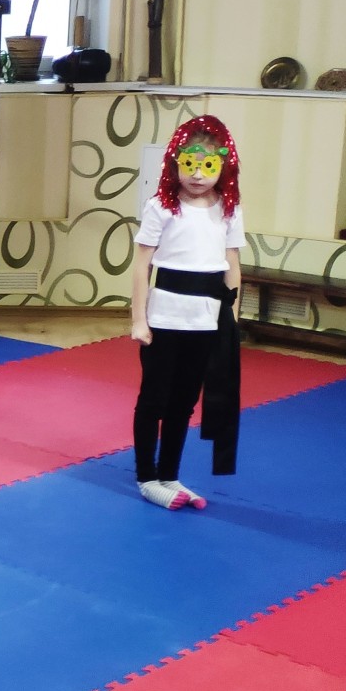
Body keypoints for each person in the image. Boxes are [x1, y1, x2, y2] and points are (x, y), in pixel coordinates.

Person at [131, 114, 244, 510]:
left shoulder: (228, 209)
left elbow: (232, 265)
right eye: (189, 164)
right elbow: (142, 264)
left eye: (208, 165)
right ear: (175, 162)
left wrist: (231, 319)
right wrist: (139, 319)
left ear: (223, 166)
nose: (197, 175)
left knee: (184, 401)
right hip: (165, 318)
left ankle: (169, 473)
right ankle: (147, 476)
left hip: (206, 320)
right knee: (154, 398)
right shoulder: (161, 207)